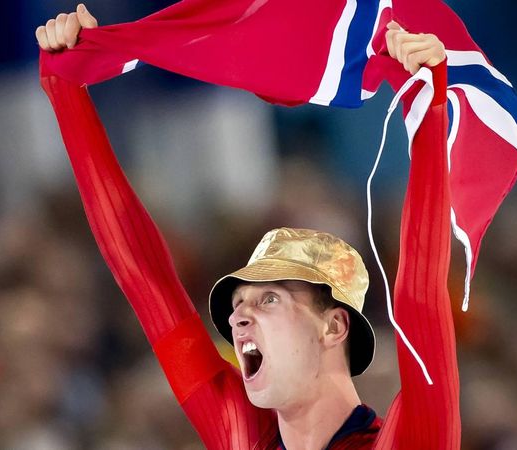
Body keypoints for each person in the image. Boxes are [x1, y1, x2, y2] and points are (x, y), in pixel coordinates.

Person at [38, 5, 458, 449]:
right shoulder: (238, 433)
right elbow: (143, 276)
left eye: (268, 299)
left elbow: (422, 294)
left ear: (334, 327)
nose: (236, 319)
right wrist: (66, 91)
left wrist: (427, 106)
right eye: (238, 303)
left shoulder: (408, 441)